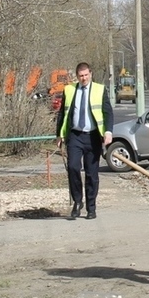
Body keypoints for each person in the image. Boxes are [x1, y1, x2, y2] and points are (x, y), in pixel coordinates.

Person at [55, 62, 114, 220]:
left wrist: (108, 132)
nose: (84, 78)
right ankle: (77, 202)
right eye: (81, 76)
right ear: (77, 76)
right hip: (75, 135)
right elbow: (63, 114)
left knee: (91, 174)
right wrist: (59, 134)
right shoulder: (69, 90)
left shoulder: (99, 89)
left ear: (91, 74)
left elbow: (108, 112)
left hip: (93, 136)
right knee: (73, 167)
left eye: (86, 75)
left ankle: (91, 207)